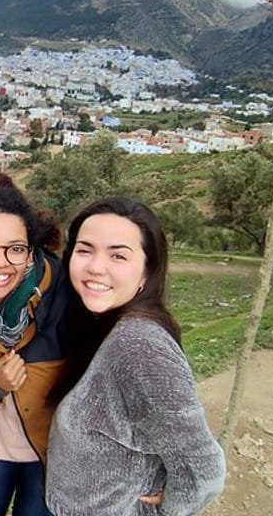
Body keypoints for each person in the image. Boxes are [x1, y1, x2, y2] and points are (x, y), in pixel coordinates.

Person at [45, 196, 225, 516]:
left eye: (118, 255)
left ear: (147, 271)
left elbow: (204, 471)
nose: (95, 266)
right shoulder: (108, 327)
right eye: (85, 250)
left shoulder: (139, 344)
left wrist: (165, 509)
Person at [0, 173, 69, 516]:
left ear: (30, 250)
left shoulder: (64, 289)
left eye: (15, 249)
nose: (0, 261)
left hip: (49, 443)